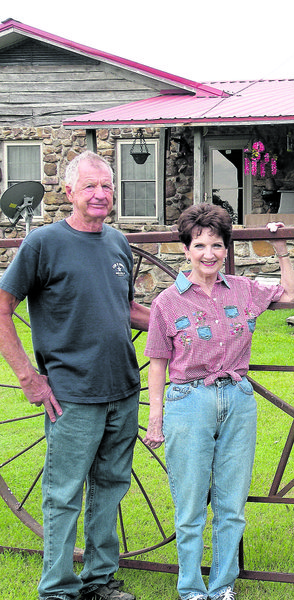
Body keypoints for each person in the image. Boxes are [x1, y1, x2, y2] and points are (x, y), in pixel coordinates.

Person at [0, 151, 150, 600]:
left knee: (110, 487)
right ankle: (58, 589)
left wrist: (181, 320)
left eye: (107, 186)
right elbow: (3, 308)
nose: (101, 194)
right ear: (69, 193)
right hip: (71, 394)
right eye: (90, 186)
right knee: (63, 493)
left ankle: (100, 580)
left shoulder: (117, 243)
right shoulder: (43, 243)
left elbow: (127, 309)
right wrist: (28, 376)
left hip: (122, 388)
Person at [142, 203, 294, 600]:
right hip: (188, 400)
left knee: (231, 504)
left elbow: (293, 295)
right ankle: (191, 588)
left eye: (216, 244)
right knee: (191, 503)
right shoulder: (166, 303)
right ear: (186, 249)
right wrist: (156, 419)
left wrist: (279, 247)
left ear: (226, 248)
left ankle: (223, 585)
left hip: (238, 400)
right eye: (199, 245)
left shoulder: (243, 289)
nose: (208, 253)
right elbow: (157, 363)